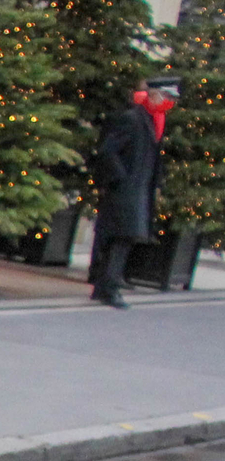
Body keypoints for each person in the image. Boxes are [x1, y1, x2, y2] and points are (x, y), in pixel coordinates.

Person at [86, 75, 178, 308]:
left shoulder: (154, 120)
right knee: (121, 239)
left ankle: (104, 287)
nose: (170, 102)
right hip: (126, 190)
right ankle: (110, 288)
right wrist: (120, 180)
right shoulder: (133, 119)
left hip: (138, 189)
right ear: (155, 95)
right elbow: (109, 151)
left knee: (122, 239)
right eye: (167, 97)